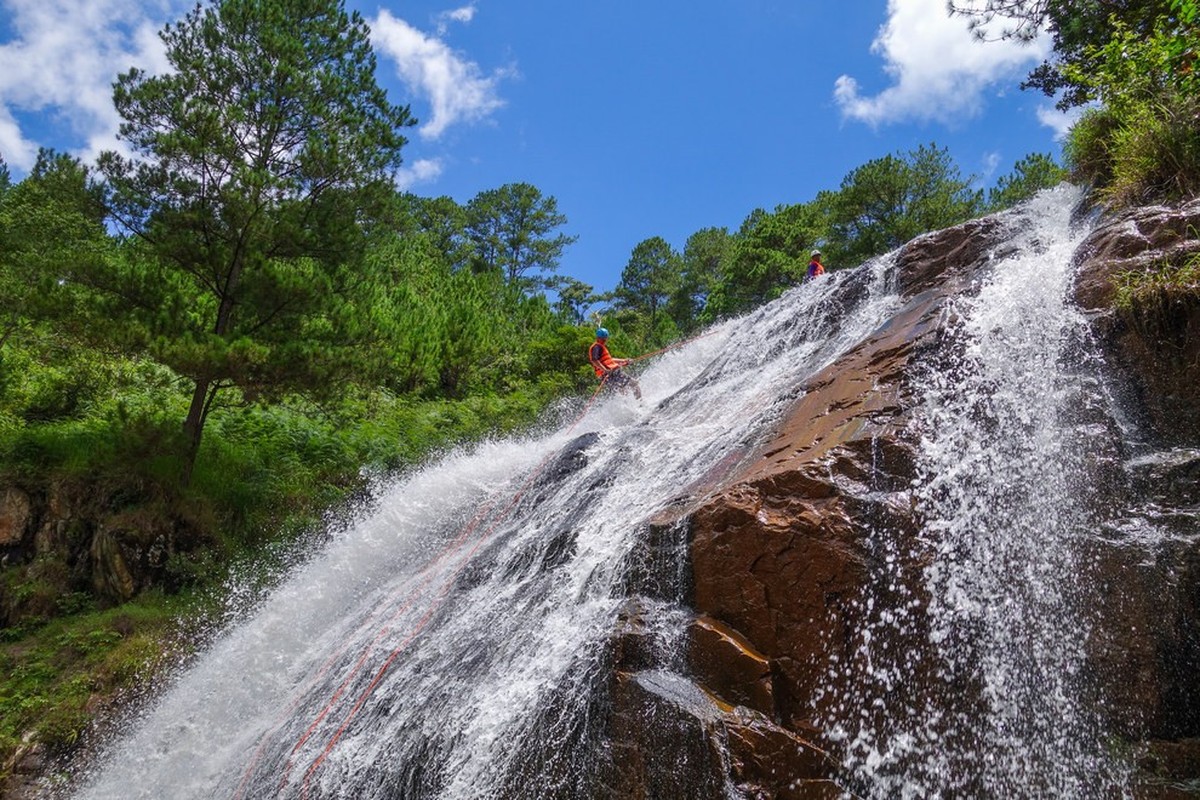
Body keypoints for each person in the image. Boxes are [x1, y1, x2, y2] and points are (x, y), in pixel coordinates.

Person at [588, 328, 642, 400]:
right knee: (633, 384)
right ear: (598, 338)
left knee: (623, 391)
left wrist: (624, 360)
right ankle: (640, 403)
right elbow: (594, 360)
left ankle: (631, 407)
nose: (605, 341)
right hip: (609, 374)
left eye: (605, 339)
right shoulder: (596, 347)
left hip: (609, 374)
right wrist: (605, 370)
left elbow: (610, 360)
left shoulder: (600, 347)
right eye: (603, 339)